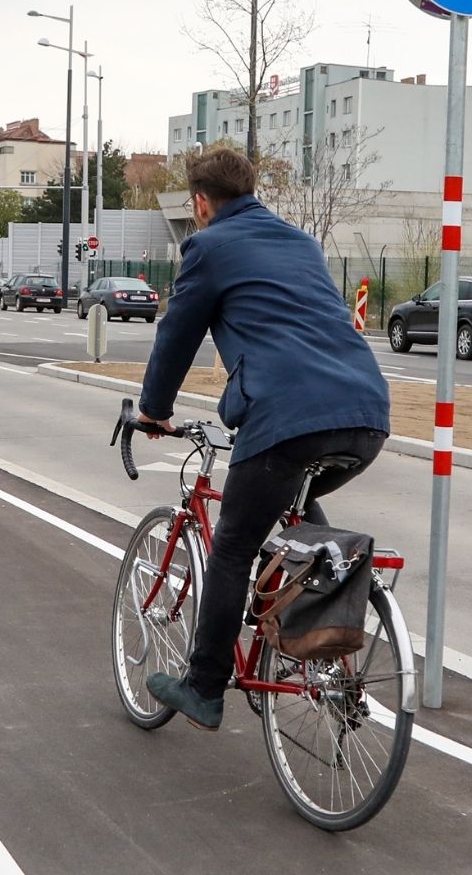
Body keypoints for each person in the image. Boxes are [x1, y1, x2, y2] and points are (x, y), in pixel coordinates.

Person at [136, 147, 391, 731]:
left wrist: (154, 410)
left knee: (231, 548)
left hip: (286, 417)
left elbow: (177, 333)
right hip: (366, 411)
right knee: (300, 529)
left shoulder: (208, 246)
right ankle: (330, 661)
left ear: (201, 203)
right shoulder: (300, 243)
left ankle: (202, 688)